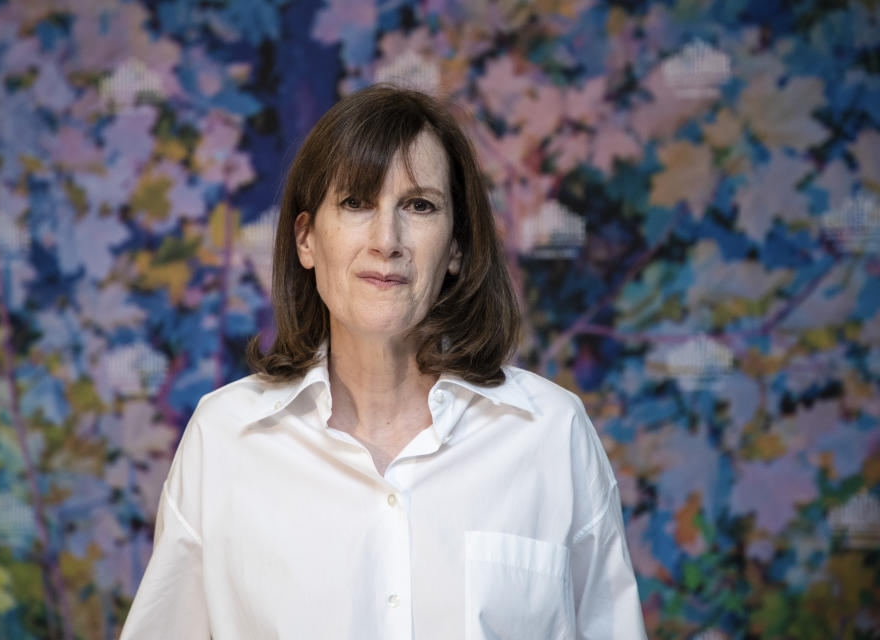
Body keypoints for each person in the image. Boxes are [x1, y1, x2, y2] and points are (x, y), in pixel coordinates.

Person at [120, 85, 647, 639]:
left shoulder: (551, 434)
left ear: (457, 249)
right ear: (306, 239)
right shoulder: (224, 438)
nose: (386, 240)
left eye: (418, 206)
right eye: (356, 203)